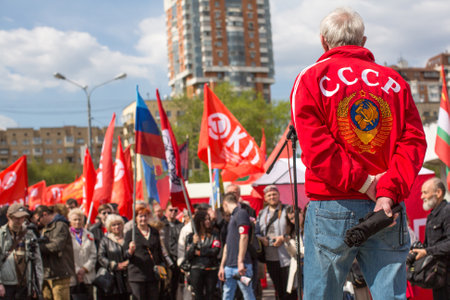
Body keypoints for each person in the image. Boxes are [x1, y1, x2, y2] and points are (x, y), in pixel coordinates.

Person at [290, 7, 427, 299]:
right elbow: (413, 141)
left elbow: (317, 150)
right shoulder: (394, 81)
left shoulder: (311, 78)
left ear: (324, 42)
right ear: (362, 41)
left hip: (332, 205)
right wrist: (386, 191)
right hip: (385, 209)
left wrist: (366, 184)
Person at [411, 178, 449, 299]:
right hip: (437, 276)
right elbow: (428, 245)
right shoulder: (431, 216)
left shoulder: (447, 212)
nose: (422, 196)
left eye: (425, 192)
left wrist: (427, 252)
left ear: (438, 193)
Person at [0, 203, 43, 300]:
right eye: (16, 218)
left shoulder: (30, 234)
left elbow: (37, 261)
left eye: (22, 217)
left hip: (25, 283)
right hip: (7, 284)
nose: (20, 221)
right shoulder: (1, 234)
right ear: (8, 216)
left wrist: (37, 285)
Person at [255, 185, 290, 300]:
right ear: (265, 198)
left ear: (279, 195)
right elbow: (257, 232)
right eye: (269, 195)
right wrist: (261, 239)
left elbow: (296, 229)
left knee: (289, 289)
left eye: (274, 194)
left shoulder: (287, 209)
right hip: (270, 256)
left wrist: (283, 237)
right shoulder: (262, 213)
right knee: (278, 287)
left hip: (287, 256)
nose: (272, 197)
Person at [218, 192, 255, 300]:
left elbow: (244, 237)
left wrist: (240, 261)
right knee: (227, 295)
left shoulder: (241, 213)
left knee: (247, 295)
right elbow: (227, 244)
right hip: (229, 266)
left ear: (225, 204)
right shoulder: (233, 217)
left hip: (241, 265)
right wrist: (222, 266)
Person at [34, 205, 75, 300]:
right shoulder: (45, 228)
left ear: (45, 214)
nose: (38, 223)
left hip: (59, 273)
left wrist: (38, 247)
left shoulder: (60, 225)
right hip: (48, 273)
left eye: (39, 220)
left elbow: (56, 246)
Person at [125, 206, 165, 300]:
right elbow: (125, 255)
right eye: (140, 216)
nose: (143, 219)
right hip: (137, 275)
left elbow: (159, 251)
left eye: (145, 216)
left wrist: (161, 267)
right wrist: (130, 251)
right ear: (135, 218)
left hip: (153, 274)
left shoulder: (154, 232)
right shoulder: (130, 233)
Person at [184, 210, 221, 300]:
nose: (208, 221)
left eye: (209, 219)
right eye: (205, 220)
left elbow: (215, 251)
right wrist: (193, 244)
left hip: (211, 268)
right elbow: (188, 255)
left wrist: (200, 252)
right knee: (198, 296)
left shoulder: (214, 234)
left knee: (210, 295)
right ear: (199, 221)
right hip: (196, 269)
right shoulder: (191, 236)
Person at [97, 214, 129, 300]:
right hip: (113, 278)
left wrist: (128, 263)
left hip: (128, 277)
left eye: (119, 224)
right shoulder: (105, 240)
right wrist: (115, 265)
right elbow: (100, 256)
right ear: (109, 227)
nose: (117, 226)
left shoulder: (128, 238)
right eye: (113, 225)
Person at [68, 208, 97, 300]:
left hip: (87, 276)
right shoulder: (67, 235)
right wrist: (77, 270)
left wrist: (85, 269)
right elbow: (67, 256)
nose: (77, 222)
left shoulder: (89, 235)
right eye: (75, 219)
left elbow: (93, 254)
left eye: (79, 219)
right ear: (70, 221)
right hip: (72, 276)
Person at [283, 205, 305, 298]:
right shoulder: (293, 232)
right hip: (300, 266)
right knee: (302, 292)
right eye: (291, 218)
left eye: (296, 216)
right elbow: (293, 253)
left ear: (302, 213)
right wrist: (287, 243)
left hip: (312, 266)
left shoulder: (310, 228)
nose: (294, 220)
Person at [163, 204, 184, 300]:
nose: (173, 213)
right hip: (164, 260)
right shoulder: (162, 225)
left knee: (175, 286)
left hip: (177, 259)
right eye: (170, 210)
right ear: (166, 211)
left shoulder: (180, 226)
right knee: (164, 287)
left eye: (175, 210)